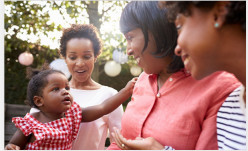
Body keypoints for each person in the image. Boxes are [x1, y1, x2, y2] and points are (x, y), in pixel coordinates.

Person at [111, 1, 246, 150]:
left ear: (160, 30)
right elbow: (121, 141)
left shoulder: (224, 91)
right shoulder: (235, 103)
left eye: (180, 26)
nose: (178, 46)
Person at [31, 24, 124, 149]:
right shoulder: (47, 92)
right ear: (65, 58)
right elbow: (31, 132)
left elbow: (119, 144)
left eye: (86, 56)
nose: (80, 63)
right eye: (73, 57)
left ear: (95, 57)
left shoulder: (110, 96)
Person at [5, 68, 136, 150]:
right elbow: (14, 145)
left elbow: (102, 108)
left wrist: (125, 92)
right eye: (56, 89)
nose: (65, 92)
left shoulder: (72, 114)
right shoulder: (31, 123)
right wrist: (12, 147)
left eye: (67, 88)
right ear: (39, 101)